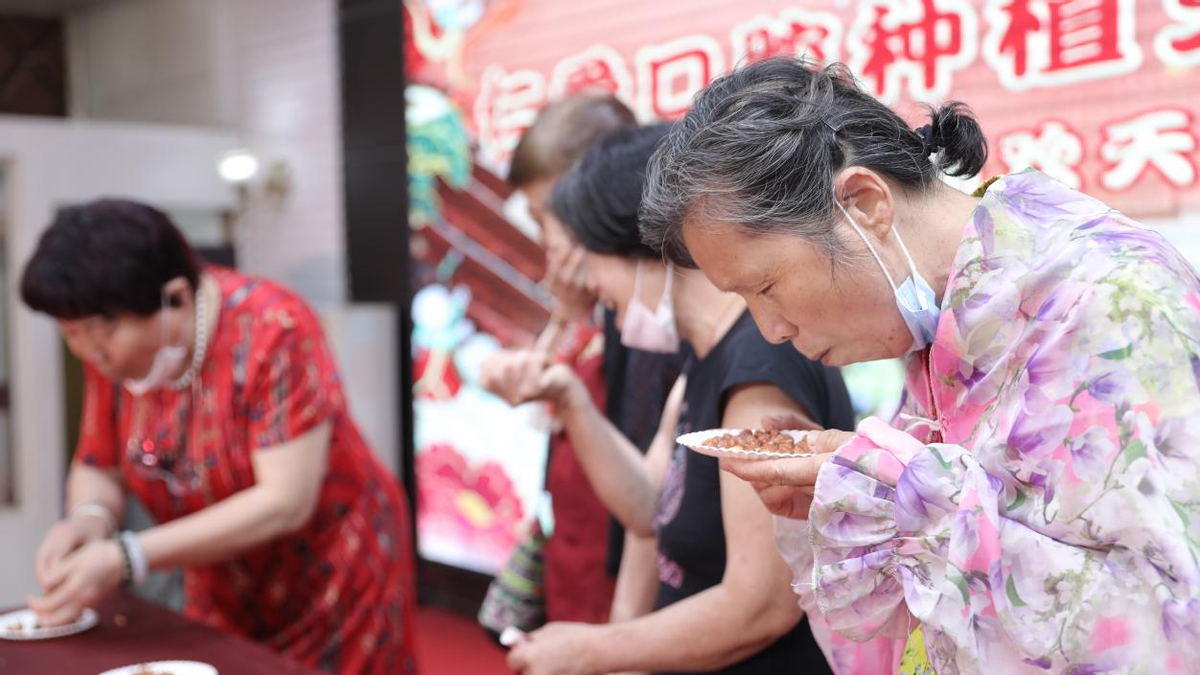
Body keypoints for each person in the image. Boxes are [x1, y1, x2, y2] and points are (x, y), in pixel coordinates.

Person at [640, 56, 1200, 673]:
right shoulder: (938, 332)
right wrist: (851, 507)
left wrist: (910, 498)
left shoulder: (1113, 298)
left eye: (766, 286)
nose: (771, 330)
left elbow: (1171, 625)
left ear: (865, 202)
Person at [491, 123, 854, 674]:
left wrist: (593, 651)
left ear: (642, 247)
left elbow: (762, 604)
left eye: (590, 264)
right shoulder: (701, 360)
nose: (592, 289)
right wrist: (571, 399)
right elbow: (647, 508)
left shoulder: (756, 369)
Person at [21, 200, 416, 675]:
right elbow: (98, 461)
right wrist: (89, 519)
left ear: (176, 299)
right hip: (221, 573)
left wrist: (128, 556)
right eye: (71, 333)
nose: (88, 352)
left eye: (99, 333)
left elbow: (284, 500)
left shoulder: (274, 328)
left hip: (333, 571)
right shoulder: (115, 358)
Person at [483, 95, 684, 627]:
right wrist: (568, 315)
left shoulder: (654, 313)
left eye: (550, 215)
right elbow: (537, 414)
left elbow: (651, 501)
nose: (548, 239)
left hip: (623, 575)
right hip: (578, 549)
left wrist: (623, 631)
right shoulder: (602, 305)